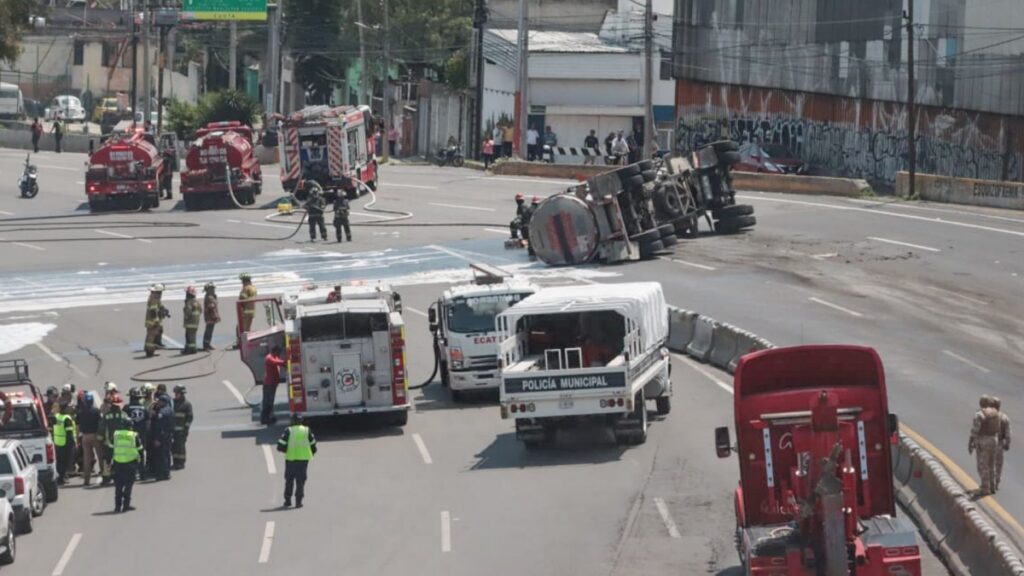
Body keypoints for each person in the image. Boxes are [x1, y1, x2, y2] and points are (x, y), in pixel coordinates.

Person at [277, 413, 317, 507]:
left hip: (291, 459)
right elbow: (313, 443)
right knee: (301, 481)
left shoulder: (288, 430)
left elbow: (281, 444)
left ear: (292, 421)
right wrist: (312, 452)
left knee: (289, 480)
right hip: (303, 459)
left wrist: (284, 450)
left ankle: (287, 500)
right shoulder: (307, 430)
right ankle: (298, 502)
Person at [969, 395, 1002, 496]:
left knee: (982, 466)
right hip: (994, 440)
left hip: (983, 441)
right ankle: (992, 486)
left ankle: (985, 488)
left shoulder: (979, 414)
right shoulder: (996, 413)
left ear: (981, 403)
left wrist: (971, 442)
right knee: (991, 464)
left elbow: (975, 430)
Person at [110, 420, 144, 512]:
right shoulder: (134, 435)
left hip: (118, 463)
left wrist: (109, 462)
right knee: (128, 485)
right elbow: (140, 449)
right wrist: (141, 464)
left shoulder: (116, 434)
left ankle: (117, 506)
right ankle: (126, 505)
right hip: (130, 463)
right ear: (131, 426)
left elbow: (110, 447)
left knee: (118, 486)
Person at [99, 395, 132, 486]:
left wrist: (100, 438)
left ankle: (106, 478)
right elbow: (129, 427)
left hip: (108, 442)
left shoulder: (107, 416)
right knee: (120, 459)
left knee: (107, 460)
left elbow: (101, 428)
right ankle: (120, 476)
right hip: (121, 442)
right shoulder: (124, 415)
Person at [75, 392, 101, 485]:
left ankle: (87, 480)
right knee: (100, 456)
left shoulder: (80, 412)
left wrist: (77, 437)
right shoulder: (96, 411)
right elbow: (100, 423)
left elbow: (77, 426)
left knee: (87, 459)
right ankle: (104, 475)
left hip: (85, 436)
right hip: (95, 435)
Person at [125, 388, 150, 480]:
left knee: (129, 454)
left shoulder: (126, 408)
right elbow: (148, 424)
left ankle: (132, 474)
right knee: (141, 454)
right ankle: (142, 474)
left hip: (129, 435)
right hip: (141, 434)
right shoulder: (144, 408)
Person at [150, 394, 174, 481]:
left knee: (160, 456)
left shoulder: (162, 413)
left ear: (163, 402)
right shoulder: (170, 410)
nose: (158, 403)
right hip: (168, 435)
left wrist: (157, 439)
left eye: (159, 401)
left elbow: (159, 427)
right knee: (167, 454)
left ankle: (161, 474)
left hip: (161, 437)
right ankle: (167, 473)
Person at [262, 346, 288, 425]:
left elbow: (279, 361)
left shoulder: (275, 357)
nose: (279, 354)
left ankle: (269, 417)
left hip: (272, 383)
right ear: (275, 351)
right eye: (278, 352)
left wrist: (285, 364)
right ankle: (265, 418)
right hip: (269, 384)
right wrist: (286, 361)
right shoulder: (269, 358)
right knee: (268, 401)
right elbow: (277, 362)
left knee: (271, 401)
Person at [52, 405, 77, 485]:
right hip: (65, 443)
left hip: (57, 442)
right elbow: (69, 433)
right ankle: (61, 478)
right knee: (65, 461)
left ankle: (60, 477)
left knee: (59, 461)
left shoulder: (56, 417)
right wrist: (73, 443)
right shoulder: (67, 419)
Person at [171, 386, 193, 470]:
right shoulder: (172, 403)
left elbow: (190, 417)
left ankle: (181, 463)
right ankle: (175, 462)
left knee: (180, 447)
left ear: (182, 394)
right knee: (174, 447)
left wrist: (186, 428)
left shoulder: (187, 404)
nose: (176, 395)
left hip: (181, 430)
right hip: (173, 430)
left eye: (177, 393)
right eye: (175, 393)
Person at [144, 284, 169, 357]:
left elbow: (159, 305)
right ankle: (149, 352)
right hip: (152, 322)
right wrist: (156, 321)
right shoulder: (154, 299)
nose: (161, 293)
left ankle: (150, 350)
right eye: (160, 292)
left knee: (152, 335)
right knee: (151, 337)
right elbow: (153, 311)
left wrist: (163, 309)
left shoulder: (155, 298)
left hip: (152, 321)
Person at [992, 396, 1011, 493]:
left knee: (988, 463)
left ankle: (988, 483)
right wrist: (1007, 443)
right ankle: (996, 483)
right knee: (998, 465)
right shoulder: (1004, 417)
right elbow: (1008, 433)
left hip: (989, 442)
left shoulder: (987, 416)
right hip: (999, 444)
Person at [182, 286, 202, 354]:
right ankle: (192, 348)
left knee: (189, 336)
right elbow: (200, 311)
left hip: (189, 322)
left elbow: (188, 312)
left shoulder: (189, 302)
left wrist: (185, 308)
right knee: (193, 336)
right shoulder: (198, 302)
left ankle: (191, 349)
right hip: (196, 323)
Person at [202, 282, 219, 351]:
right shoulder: (209, 297)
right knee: (208, 331)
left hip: (212, 316)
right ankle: (206, 345)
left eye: (213, 289)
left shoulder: (211, 296)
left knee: (210, 331)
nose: (213, 290)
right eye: (211, 289)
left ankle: (208, 344)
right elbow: (211, 307)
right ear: (208, 290)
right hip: (210, 317)